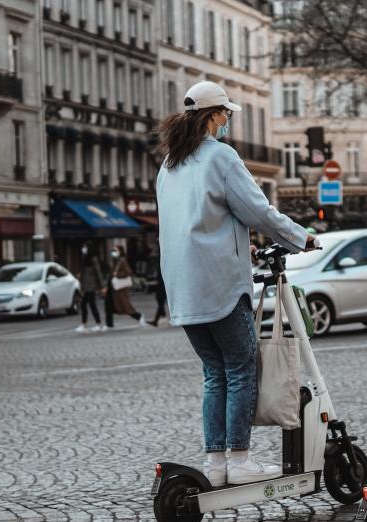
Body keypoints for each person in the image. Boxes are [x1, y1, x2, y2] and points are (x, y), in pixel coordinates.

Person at [155, 80, 316, 487]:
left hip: (183, 287)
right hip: (219, 282)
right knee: (242, 367)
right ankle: (241, 459)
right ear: (212, 116)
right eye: (225, 113)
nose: (228, 120)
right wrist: (301, 237)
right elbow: (256, 211)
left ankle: (216, 462)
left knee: (215, 372)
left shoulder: (170, 164)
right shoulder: (220, 158)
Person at [104, 245, 147, 328]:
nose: (113, 252)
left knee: (125, 307)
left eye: (115, 250)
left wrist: (117, 274)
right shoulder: (115, 260)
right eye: (113, 250)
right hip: (113, 288)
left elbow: (128, 272)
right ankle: (109, 325)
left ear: (120, 251)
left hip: (119, 289)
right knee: (109, 306)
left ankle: (139, 316)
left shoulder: (122, 261)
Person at [75, 244, 106, 333]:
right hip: (86, 286)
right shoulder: (85, 258)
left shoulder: (93, 259)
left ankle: (85, 325)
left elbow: (98, 273)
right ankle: (99, 324)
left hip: (91, 286)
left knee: (84, 303)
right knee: (91, 305)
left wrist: (102, 287)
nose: (84, 249)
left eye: (85, 247)